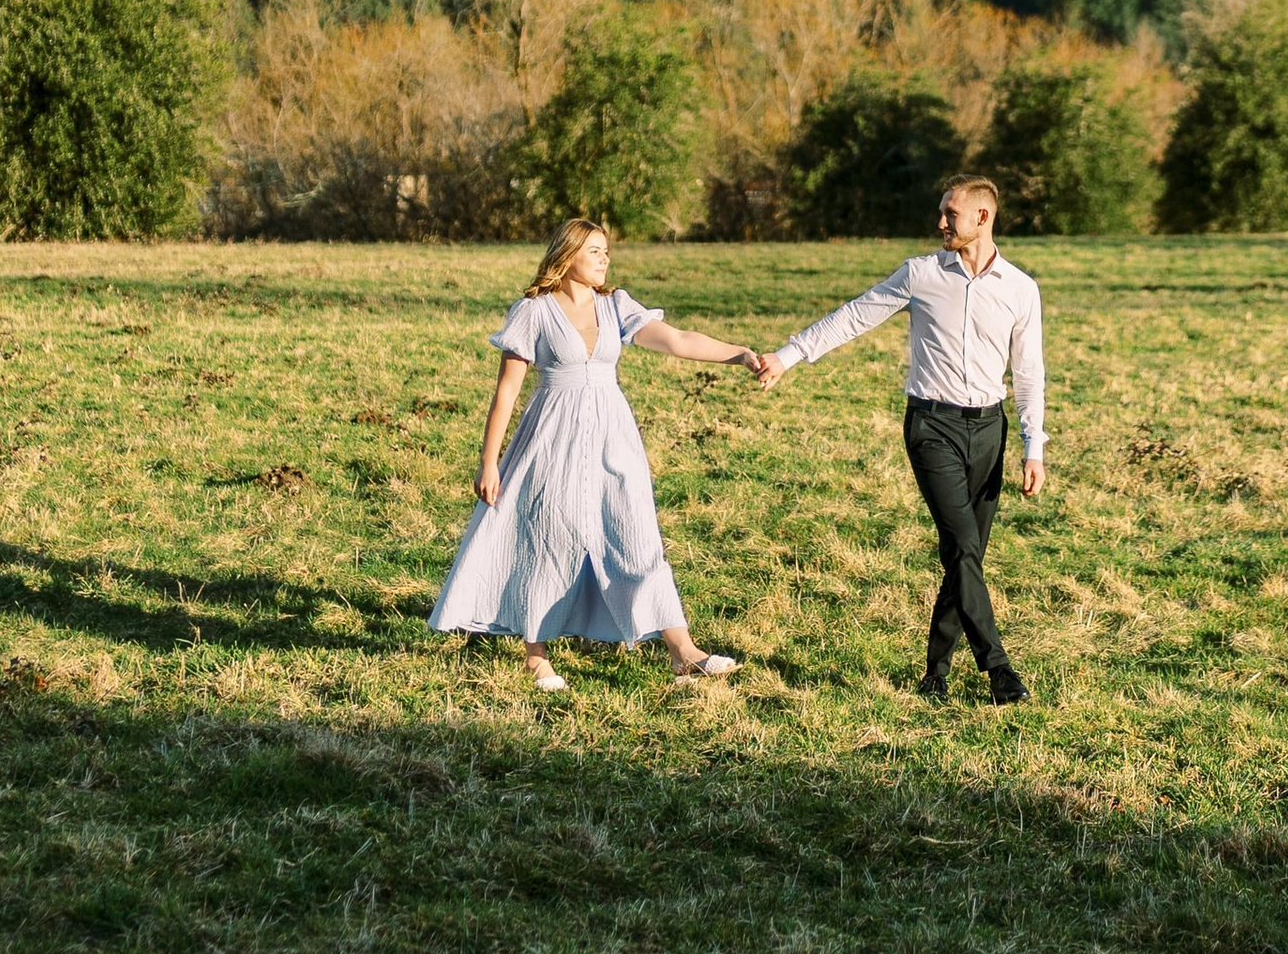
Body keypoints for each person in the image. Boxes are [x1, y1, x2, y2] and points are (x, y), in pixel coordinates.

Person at [752, 175, 1045, 703]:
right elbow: (853, 317)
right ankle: (998, 669)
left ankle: (935, 673)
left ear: (982, 217)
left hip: (989, 429)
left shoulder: (1021, 289)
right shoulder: (920, 274)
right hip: (932, 426)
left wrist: (1033, 446)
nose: (940, 222)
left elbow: (1029, 373)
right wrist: (789, 355)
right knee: (962, 546)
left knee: (966, 554)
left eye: (950, 213)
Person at [429, 216, 748, 691]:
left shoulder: (616, 306)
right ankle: (535, 655)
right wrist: (489, 461)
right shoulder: (533, 311)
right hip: (551, 437)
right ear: (568, 253)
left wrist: (739, 354)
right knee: (545, 535)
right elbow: (507, 393)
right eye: (595, 250)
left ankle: (684, 654)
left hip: (613, 437)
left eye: (606, 251)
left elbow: (678, 340)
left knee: (636, 534)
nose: (605, 258)